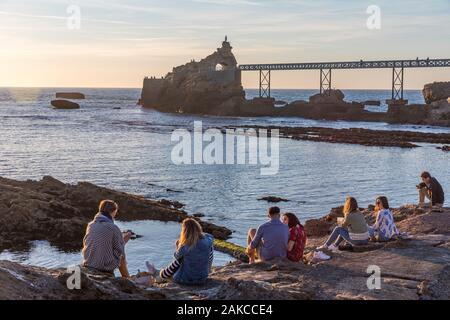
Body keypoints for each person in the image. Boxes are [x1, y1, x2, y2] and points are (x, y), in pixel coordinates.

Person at [146, 218, 214, 285]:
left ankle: (157, 274)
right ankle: (157, 272)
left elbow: (175, 264)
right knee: (183, 262)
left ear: (185, 231)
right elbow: (210, 258)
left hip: (185, 280)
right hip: (202, 278)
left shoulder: (185, 247)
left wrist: (178, 247)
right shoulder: (208, 240)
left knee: (166, 274)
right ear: (198, 228)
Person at [82, 200, 131, 277]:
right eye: (115, 212)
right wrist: (123, 240)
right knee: (121, 255)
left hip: (88, 264)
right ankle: (127, 278)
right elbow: (119, 251)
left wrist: (121, 239)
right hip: (103, 268)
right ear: (113, 211)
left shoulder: (91, 225)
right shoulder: (113, 228)